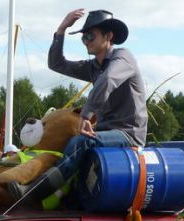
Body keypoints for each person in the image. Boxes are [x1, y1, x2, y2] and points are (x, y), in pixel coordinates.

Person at [11, 9, 146, 203]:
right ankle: (68, 198)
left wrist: (86, 114)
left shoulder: (123, 57)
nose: (86, 41)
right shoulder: (93, 67)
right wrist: (61, 30)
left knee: (81, 142)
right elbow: (57, 64)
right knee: (68, 142)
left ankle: (32, 193)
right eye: (83, 38)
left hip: (128, 134)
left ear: (109, 36)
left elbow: (107, 80)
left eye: (90, 36)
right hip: (105, 133)